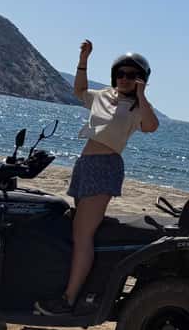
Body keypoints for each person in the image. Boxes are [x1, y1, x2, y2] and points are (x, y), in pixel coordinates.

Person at [35, 40, 159, 315]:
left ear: (141, 79)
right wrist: (83, 59)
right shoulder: (103, 96)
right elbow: (79, 90)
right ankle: (76, 288)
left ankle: (68, 300)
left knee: (83, 235)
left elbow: (151, 126)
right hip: (85, 164)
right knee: (79, 230)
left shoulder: (137, 108)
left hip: (105, 166)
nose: (125, 79)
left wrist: (142, 95)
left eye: (132, 75)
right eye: (121, 74)